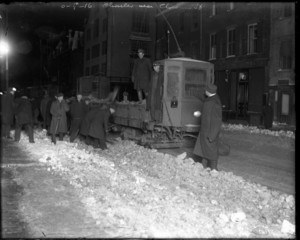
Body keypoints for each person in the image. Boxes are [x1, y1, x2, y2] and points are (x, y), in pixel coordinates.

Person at [193, 84, 222, 171]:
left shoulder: (213, 102)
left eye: (206, 90)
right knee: (203, 150)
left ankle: (214, 169)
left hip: (209, 132)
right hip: (205, 131)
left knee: (211, 152)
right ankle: (202, 167)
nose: (204, 91)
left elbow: (217, 120)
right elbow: (209, 114)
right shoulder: (211, 99)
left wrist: (212, 135)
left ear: (208, 91)